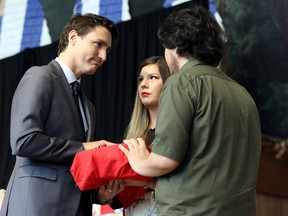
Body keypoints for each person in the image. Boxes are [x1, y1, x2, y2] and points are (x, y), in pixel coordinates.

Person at [119, 5, 262, 216]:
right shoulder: (242, 93)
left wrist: (139, 162)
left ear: (175, 45)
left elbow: (165, 159)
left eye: (165, 48)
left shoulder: (180, 83)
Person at [0, 13, 124, 216]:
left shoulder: (88, 106)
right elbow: (23, 141)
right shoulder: (40, 76)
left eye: (107, 50)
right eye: (98, 44)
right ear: (73, 37)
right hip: (36, 206)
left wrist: (98, 195)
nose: (104, 56)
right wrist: (85, 147)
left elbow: (72, 165)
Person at [107, 56, 170, 215]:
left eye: (153, 77)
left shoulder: (175, 133)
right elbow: (117, 201)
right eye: (141, 79)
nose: (143, 84)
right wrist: (107, 194)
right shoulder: (135, 136)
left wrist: (148, 181)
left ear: (169, 83)